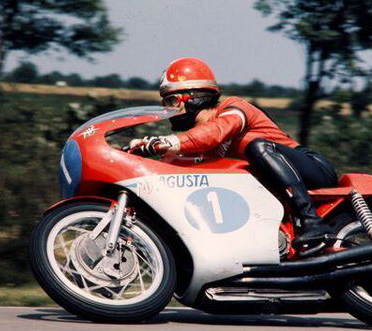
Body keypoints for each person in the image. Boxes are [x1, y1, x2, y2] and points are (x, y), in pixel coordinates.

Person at [130, 57, 338, 249]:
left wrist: (170, 141)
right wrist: (141, 155)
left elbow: (216, 132)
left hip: (313, 169)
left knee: (258, 146)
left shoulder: (234, 109)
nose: (167, 110)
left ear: (194, 97)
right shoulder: (205, 147)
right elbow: (181, 165)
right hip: (280, 188)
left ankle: (313, 223)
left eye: (171, 101)